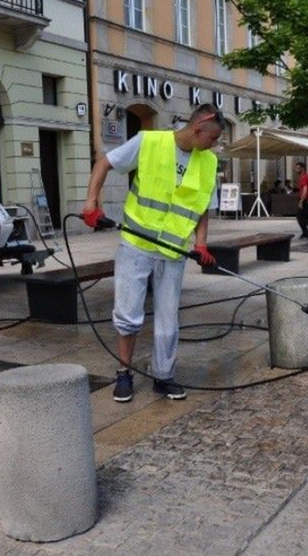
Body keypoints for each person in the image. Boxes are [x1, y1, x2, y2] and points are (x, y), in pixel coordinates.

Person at [82, 104, 225, 403]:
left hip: (173, 251)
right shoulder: (149, 142)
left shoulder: (208, 162)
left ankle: (164, 377)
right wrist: (91, 202)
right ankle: (124, 374)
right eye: (212, 139)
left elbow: (202, 208)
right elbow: (103, 162)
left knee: (168, 319)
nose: (214, 145)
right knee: (128, 313)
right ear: (198, 129)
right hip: (137, 243)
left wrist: (201, 244)